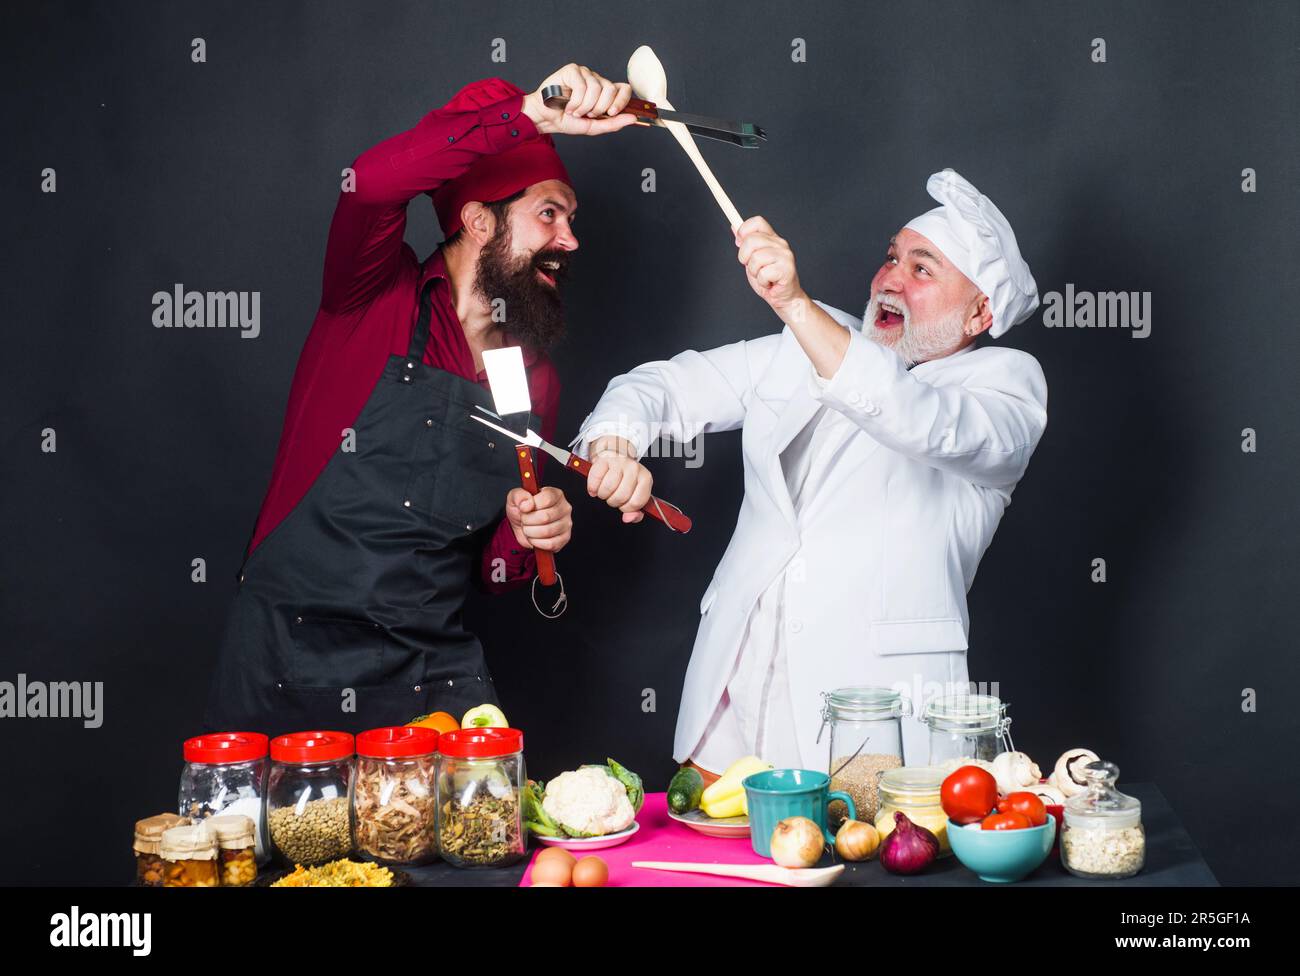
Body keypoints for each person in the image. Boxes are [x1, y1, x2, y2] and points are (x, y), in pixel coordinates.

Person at [205, 64, 637, 734]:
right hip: (287, 654)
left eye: (572, 219)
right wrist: (532, 114)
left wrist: (530, 536)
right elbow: (370, 183)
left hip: (430, 674)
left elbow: (492, 572)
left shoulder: (532, 377)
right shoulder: (372, 295)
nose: (570, 242)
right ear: (478, 221)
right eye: (548, 215)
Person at [575, 169, 1048, 775]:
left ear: (980, 313)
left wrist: (795, 305)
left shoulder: (1005, 386)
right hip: (734, 702)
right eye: (890, 258)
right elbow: (666, 385)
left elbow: (918, 418)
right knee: (708, 866)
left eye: (921, 269)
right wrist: (614, 442)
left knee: (863, 866)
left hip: (875, 722)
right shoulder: (805, 344)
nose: (889, 280)